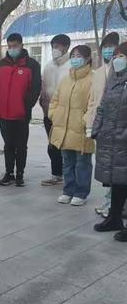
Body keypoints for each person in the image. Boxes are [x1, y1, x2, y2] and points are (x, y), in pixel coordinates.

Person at [0, 33, 41, 187]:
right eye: (10, 46)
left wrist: (26, 106)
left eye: (15, 46)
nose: (12, 48)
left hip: (21, 114)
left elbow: (35, 88)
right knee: (8, 145)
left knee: (21, 145)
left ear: (21, 45)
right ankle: (9, 173)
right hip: (4, 113)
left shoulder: (32, 65)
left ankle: (20, 174)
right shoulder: (1, 64)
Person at [49, 45, 94, 206]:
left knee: (82, 163)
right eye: (73, 55)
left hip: (81, 129)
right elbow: (55, 100)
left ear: (88, 58)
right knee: (67, 162)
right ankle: (68, 190)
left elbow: (94, 105)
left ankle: (81, 192)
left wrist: (85, 122)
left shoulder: (92, 79)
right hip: (64, 128)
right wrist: (53, 114)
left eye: (79, 55)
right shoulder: (66, 79)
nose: (75, 58)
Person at [92, 42, 127, 240]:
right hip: (112, 138)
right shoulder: (114, 78)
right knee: (118, 181)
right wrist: (97, 129)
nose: (117, 59)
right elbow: (102, 106)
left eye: (122, 55)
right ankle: (114, 218)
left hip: (123, 139)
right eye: (116, 55)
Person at [86, 32, 120, 217]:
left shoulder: (122, 70)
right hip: (101, 126)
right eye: (105, 47)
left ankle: (116, 205)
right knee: (106, 167)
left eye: (112, 46)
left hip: (119, 128)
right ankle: (109, 201)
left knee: (118, 168)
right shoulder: (98, 73)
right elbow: (92, 101)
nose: (108, 50)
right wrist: (90, 124)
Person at [39, 34, 71, 186]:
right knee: (52, 146)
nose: (55, 50)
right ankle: (56, 174)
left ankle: (70, 176)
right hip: (49, 113)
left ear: (66, 47)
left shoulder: (72, 66)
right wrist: (43, 100)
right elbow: (44, 86)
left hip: (66, 115)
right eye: (53, 47)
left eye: (58, 46)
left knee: (66, 146)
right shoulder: (48, 66)